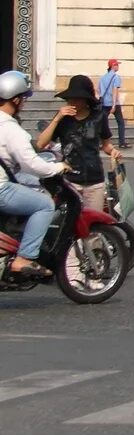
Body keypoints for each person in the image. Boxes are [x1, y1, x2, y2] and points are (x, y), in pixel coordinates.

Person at [0, 70, 67, 280]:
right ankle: (25, 258)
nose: (25, 103)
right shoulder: (10, 128)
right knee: (44, 204)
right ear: (16, 99)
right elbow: (31, 163)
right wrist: (58, 167)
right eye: (24, 99)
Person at [36, 75, 116, 214]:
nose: (73, 102)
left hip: (94, 180)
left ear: (87, 100)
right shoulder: (63, 119)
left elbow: (106, 145)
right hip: (70, 180)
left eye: (78, 98)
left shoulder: (99, 117)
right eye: (71, 98)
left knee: (93, 224)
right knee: (69, 223)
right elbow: (41, 144)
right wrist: (57, 119)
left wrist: (113, 151)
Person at [97, 57, 124, 146]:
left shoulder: (102, 77)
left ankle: (102, 143)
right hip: (113, 103)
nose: (118, 67)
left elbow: (99, 90)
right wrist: (113, 105)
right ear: (113, 66)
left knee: (103, 123)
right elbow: (115, 90)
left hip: (104, 103)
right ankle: (122, 143)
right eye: (117, 65)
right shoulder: (116, 77)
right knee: (120, 122)